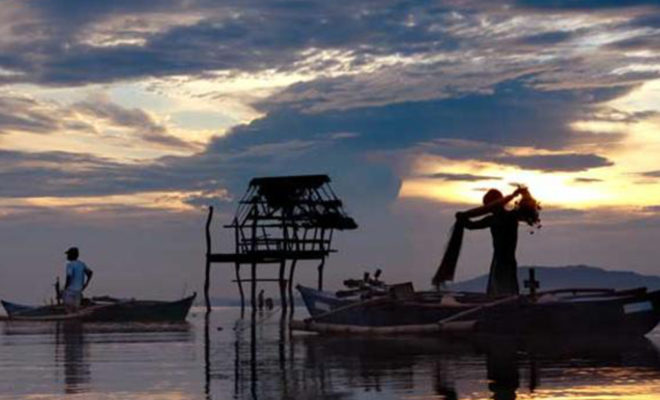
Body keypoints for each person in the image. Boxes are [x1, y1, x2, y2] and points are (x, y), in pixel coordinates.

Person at [456, 188, 524, 297]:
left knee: (503, 287)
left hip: (503, 259)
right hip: (502, 258)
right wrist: (462, 217)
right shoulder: (506, 217)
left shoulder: (504, 217)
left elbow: (471, 225)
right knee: (503, 286)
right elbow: (471, 225)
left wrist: (462, 218)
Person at [62, 247, 93, 312]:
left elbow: (69, 278)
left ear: (72, 255)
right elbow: (90, 273)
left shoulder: (70, 265)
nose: (67, 256)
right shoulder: (82, 264)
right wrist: (86, 284)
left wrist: (64, 289)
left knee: (69, 310)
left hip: (70, 291)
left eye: (68, 254)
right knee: (75, 309)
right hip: (79, 291)